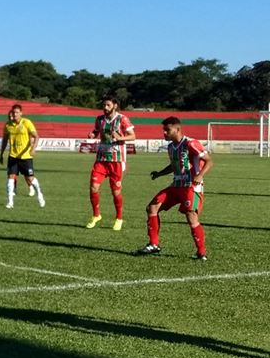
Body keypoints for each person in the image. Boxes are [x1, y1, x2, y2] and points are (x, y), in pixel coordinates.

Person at [135, 116, 213, 261]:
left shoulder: (191, 143)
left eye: (167, 130)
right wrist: (159, 173)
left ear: (177, 129)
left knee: (191, 216)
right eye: (164, 130)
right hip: (176, 185)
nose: (164, 133)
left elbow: (209, 161)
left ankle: (201, 252)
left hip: (191, 186)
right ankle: (153, 244)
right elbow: (174, 166)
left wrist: (200, 175)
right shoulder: (171, 147)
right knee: (152, 207)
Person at [85, 95, 136, 231]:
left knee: (115, 191)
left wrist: (120, 138)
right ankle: (96, 215)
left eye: (108, 105)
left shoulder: (122, 119)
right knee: (93, 187)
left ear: (115, 106)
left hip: (116, 160)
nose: (105, 107)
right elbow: (97, 131)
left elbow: (133, 136)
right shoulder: (100, 119)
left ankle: (119, 218)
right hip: (101, 159)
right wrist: (92, 134)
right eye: (104, 105)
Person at [0, 104, 45, 209]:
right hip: (13, 156)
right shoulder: (8, 125)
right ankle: (10, 202)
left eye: (17, 112)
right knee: (11, 178)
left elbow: (36, 136)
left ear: (21, 113)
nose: (15, 114)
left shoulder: (26, 123)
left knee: (30, 179)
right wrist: (1, 154)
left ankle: (39, 194)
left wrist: (33, 149)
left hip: (26, 157)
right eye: (13, 112)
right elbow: (5, 140)